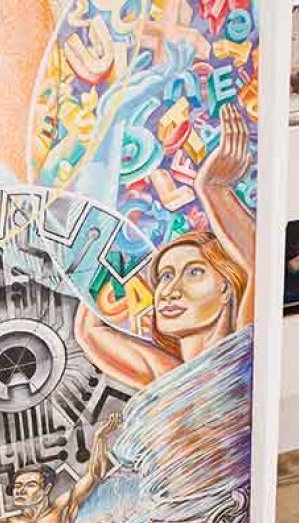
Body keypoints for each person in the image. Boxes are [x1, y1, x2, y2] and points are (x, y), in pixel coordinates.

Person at [75, 104, 255, 390]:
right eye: (166, 276)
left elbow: (256, 261)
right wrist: (109, 239)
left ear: (226, 288)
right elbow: (90, 331)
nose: (170, 291)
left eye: (194, 272)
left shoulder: (243, 355)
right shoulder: (170, 378)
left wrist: (213, 189)